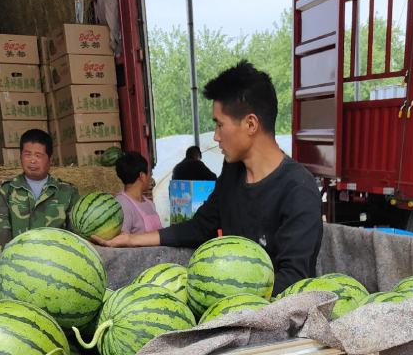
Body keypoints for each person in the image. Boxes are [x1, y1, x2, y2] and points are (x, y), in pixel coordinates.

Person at [93, 61, 322, 296]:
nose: (215, 136)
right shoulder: (234, 171)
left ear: (250, 124)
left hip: (276, 317)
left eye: (219, 124)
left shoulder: (298, 189)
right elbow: (201, 226)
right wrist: (132, 239)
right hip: (230, 305)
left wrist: (226, 300)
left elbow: (294, 279)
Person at [0, 128, 79, 253]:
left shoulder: (67, 191)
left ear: (50, 159)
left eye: (38, 155)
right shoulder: (7, 190)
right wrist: (8, 258)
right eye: (27, 154)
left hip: (56, 262)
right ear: (20, 156)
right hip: (16, 261)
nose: (32, 160)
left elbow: (76, 233)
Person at [114, 150, 162, 234]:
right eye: (150, 174)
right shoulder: (122, 204)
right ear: (142, 176)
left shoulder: (149, 204)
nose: (150, 178)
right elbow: (121, 240)